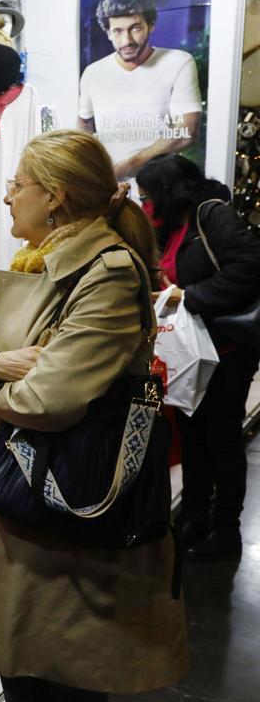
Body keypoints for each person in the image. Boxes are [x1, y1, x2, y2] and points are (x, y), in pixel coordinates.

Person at [0, 130, 188, 702]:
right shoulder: (31, 266)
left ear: (53, 198)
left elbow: (47, 402)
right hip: (19, 509)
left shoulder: (105, 274)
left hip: (70, 516)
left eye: (16, 184)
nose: (4, 196)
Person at [137, 154, 260, 560]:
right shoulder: (172, 228)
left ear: (168, 192)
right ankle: (193, 516)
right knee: (192, 436)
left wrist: (188, 297)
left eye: (148, 195)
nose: (145, 204)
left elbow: (249, 267)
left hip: (227, 351)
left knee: (222, 439)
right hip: (193, 353)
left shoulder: (212, 215)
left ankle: (227, 533)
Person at [78, 0, 202, 180]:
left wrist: (126, 167)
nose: (126, 40)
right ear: (108, 32)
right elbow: (84, 125)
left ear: (151, 25)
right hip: (109, 188)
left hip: (160, 188)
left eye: (135, 28)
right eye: (117, 31)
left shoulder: (178, 62)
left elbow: (187, 132)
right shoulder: (93, 73)